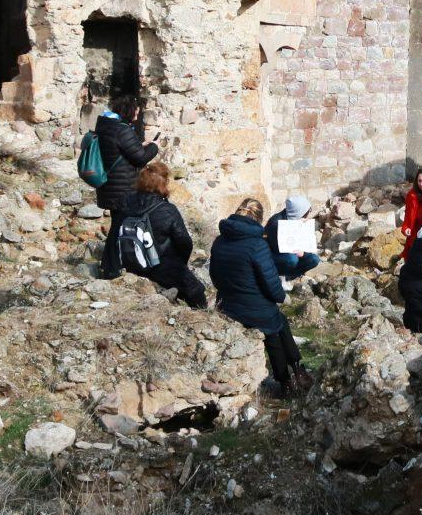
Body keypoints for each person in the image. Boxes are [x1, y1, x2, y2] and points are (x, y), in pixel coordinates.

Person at [208, 198, 312, 397]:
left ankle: (295, 370)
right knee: (274, 327)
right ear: (258, 219)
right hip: (251, 307)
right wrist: (280, 297)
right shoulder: (257, 245)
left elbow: (214, 275)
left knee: (278, 320)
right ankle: (288, 380)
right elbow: (271, 284)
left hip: (229, 303)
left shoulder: (219, 241)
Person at [111, 160, 207, 308]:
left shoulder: (126, 201)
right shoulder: (167, 209)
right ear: (163, 183)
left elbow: (115, 232)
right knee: (196, 290)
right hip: (159, 265)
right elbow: (184, 241)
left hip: (129, 261)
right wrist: (181, 263)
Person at [91, 99, 158, 279]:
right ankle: (111, 267)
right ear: (128, 111)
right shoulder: (122, 130)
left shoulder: (105, 126)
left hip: (110, 186)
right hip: (123, 189)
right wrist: (153, 146)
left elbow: (122, 150)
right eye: (135, 112)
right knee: (118, 228)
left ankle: (115, 263)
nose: (137, 116)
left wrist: (137, 146)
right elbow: (140, 158)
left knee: (117, 224)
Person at [267, 195, 323, 281]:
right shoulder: (276, 223)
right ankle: (277, 276)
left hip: (295, 251)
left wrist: (304, 251)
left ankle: (288, 277)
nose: (308, 213)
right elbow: (276, 247)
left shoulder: (296, 218)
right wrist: (297, 251)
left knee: (314, 259)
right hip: (275, 254)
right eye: (307, 212)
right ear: (299, 212)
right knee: (292, 259)